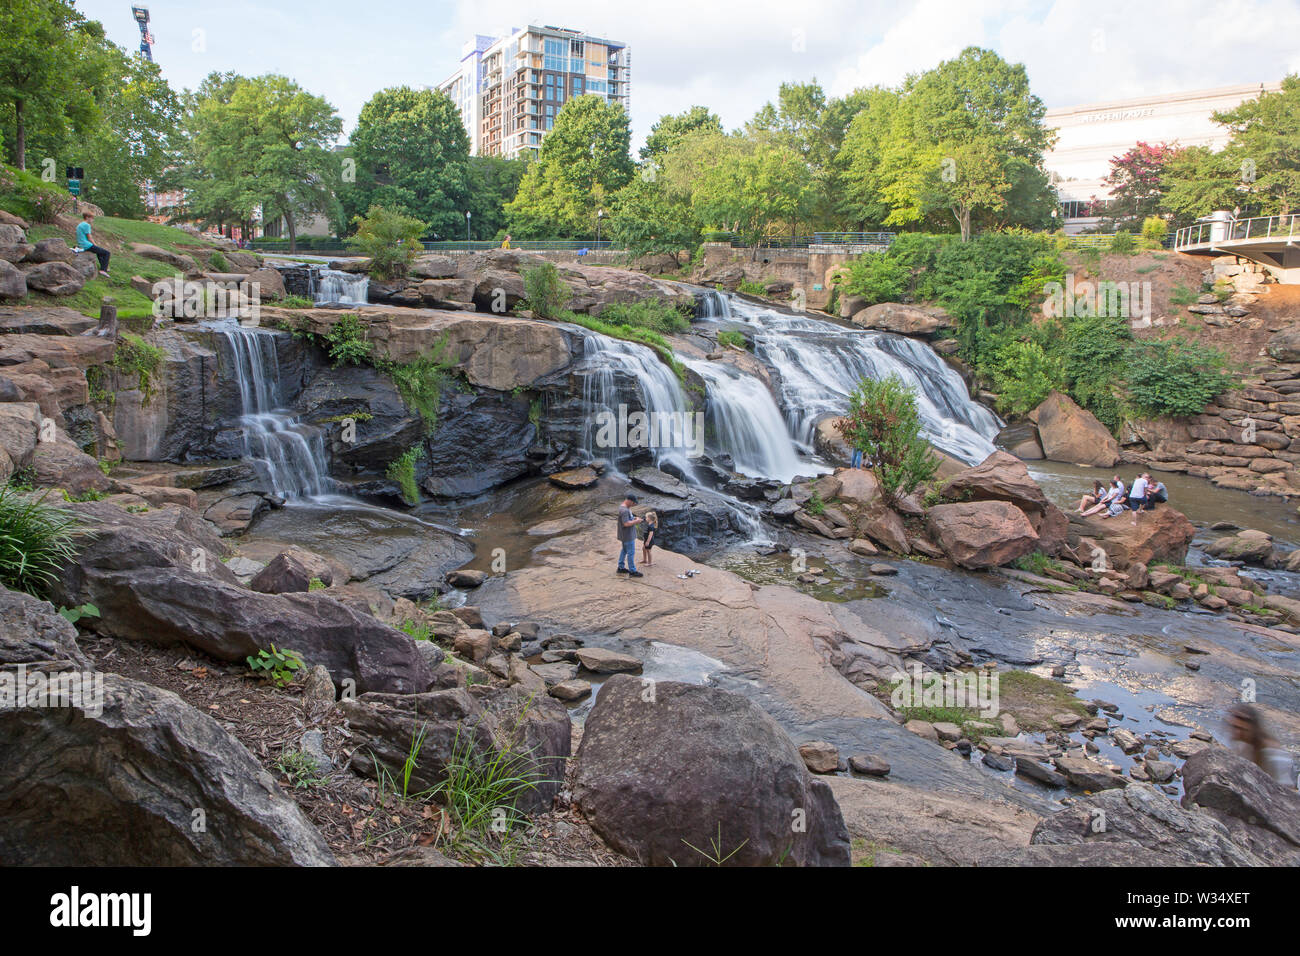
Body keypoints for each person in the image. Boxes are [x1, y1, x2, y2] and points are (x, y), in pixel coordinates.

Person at [1226, 703, 1296, 787]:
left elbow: (1287, 790)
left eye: (1242, 729)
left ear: (1253, 729)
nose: (1237, 733)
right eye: (1234, 727)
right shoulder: (1242, 744)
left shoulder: (1275, 755)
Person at [616, 493, 643, 578]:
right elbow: (626, 523)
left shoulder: (624, 507)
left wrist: (634, 519)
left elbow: (627, 520)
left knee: (624, 550)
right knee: (631, 553)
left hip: (624, 535)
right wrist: (637, 521)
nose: (634, 505)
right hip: (628, 536)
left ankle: (621, 567)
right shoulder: (625, 510)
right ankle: (632, 571)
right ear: (629, 501)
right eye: (633, 503)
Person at [76, 211, 110, 278]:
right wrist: (95, 245)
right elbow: (89, 237)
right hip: (86, 245)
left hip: (81, 244)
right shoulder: (86, 225)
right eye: (92, 218)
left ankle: (104, 267)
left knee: (99, 252)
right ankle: (103, 270)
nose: (92, 220)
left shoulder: (80, 224)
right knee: (107, 253)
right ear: (87, 217)